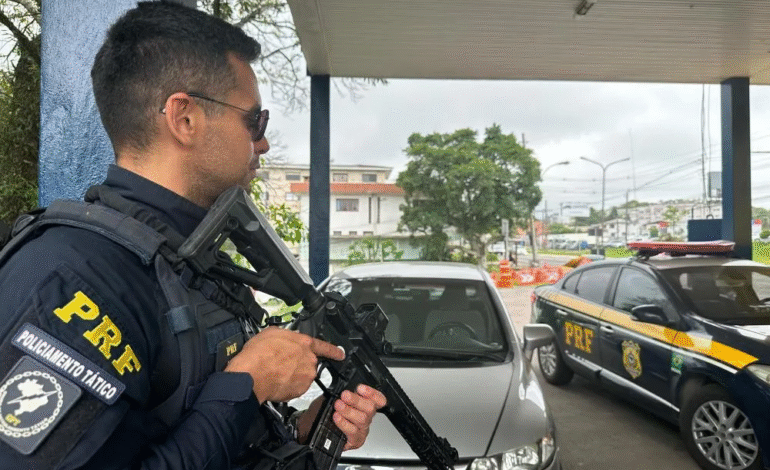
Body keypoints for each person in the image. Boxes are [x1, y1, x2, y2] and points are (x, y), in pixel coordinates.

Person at [0, 2, 385, 469]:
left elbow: (192, 434)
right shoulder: (76, 277)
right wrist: (245, 387)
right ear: (184, 119)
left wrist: (306, 432)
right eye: (254, 121)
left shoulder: (192, 263)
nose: (262, 142)